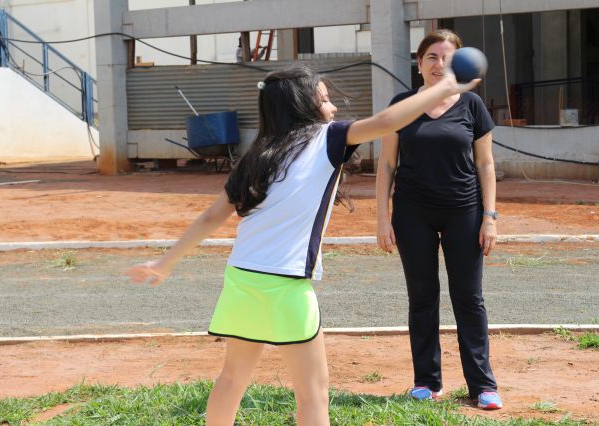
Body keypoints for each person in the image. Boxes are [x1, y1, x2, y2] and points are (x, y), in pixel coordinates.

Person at [128, 64, 479, 426]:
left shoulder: (257, 154)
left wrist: (164, 263)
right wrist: (444, 90)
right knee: (313, 392)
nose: (333, 107)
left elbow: (210, 217)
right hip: (287, 283)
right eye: (325, 100)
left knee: (232, 378)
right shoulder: (329, 137)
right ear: (302, 106)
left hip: (242, 277)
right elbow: (388, 121)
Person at [376, 29, 502, 410]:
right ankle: (427, 381)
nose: (439, 63)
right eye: (431, 56)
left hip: (464, 211)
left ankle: (482, 385)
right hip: (412, 213)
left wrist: (490, 217)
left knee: (469, 298)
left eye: (447, 57)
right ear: (419, 64)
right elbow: (387, 164)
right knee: (422, 297)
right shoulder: (402, 104)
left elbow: (485, 164)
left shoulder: (472, 105)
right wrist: (382, 217)